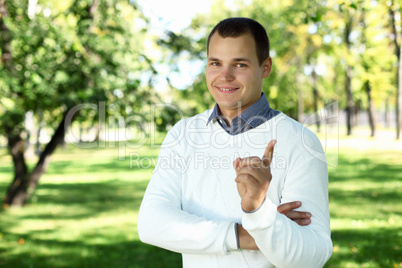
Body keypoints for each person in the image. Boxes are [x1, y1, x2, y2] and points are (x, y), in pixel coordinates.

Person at [138, 17, 332, 267]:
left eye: (239, 64)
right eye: (215, 63)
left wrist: (259, 210)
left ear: (265, 67)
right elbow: (151, 224)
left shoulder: (300, 141)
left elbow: (312, 256)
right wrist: (247, 234)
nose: (225, 76)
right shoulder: (183, 133)